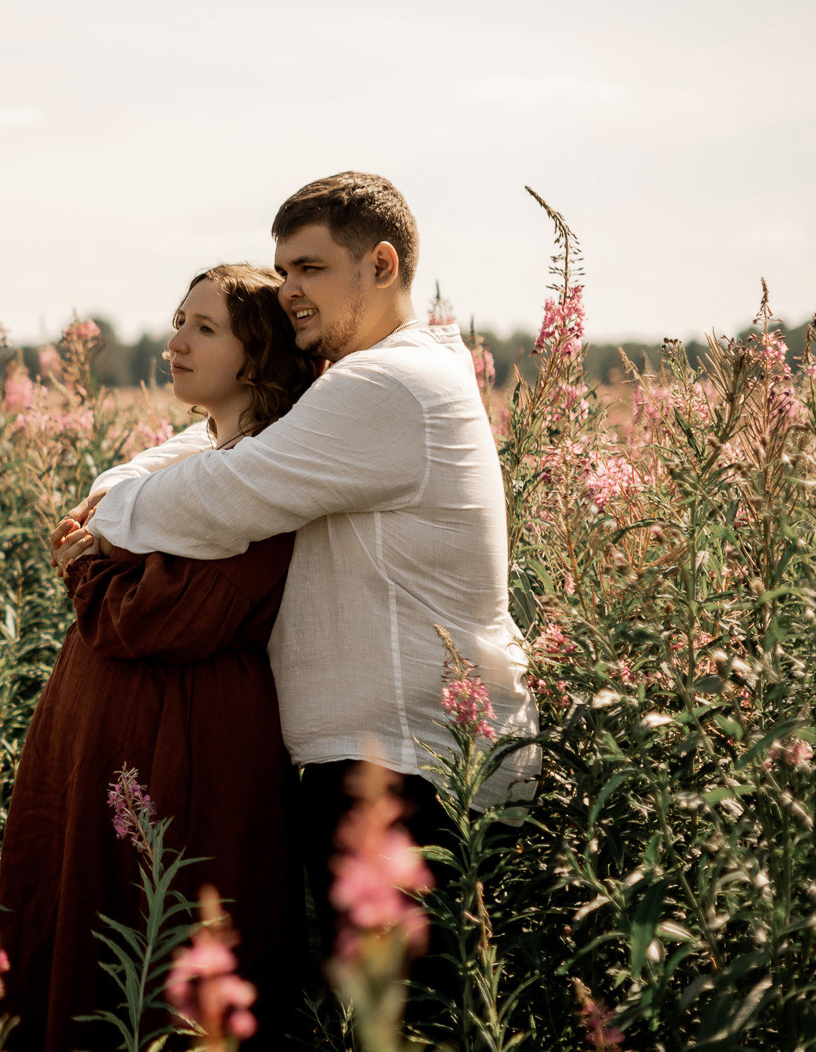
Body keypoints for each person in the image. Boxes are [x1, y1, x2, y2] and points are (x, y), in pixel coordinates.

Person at [56, 172, 539, 1028]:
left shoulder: (385, 385)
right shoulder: (368, 378)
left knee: (402, 1025)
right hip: (388, 759)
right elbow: (203, 451)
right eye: (283, 270)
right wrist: (115, 495)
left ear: (382, 263)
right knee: (380, 1021)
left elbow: (229, 490)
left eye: (310, 268)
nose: (290, 292)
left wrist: (108, 527)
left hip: (411, 766)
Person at [0, 262, 319, 1052]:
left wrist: (88, 564)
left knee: (169, 940)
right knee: (91, 921)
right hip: (107, 734)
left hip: (191, 741)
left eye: (204, 329)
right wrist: (102, 552)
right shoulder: (190, 451)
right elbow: (110, 524)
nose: (175, 341)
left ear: (254, 354)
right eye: (179, 320)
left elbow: (156, 612)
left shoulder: (267, 472)